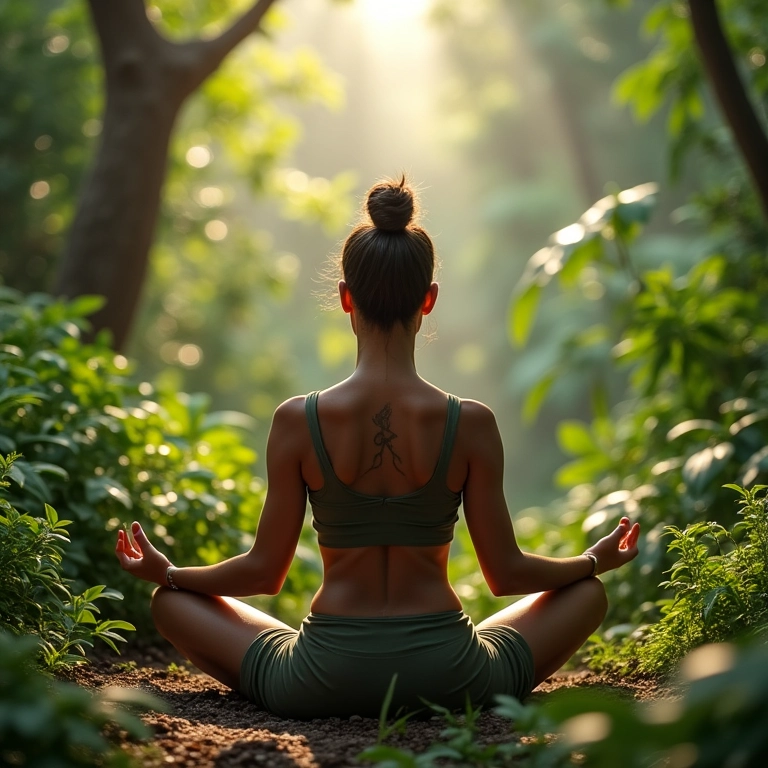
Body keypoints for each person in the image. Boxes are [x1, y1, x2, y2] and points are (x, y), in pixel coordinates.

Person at [115, 176, 640, 719]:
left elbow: (263, 573)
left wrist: (169, 574)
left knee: (171, 604)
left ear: (345, 297)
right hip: (451, 674)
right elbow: (506, 574)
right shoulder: (472, 424)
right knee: (588, 592)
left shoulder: (299, 420)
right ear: (429, 300)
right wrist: (591, 560)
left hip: (320, 676)